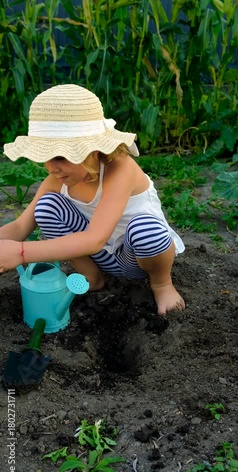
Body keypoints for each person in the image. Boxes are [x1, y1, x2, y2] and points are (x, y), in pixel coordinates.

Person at [2, 84, 185, 315]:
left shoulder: (120, 168)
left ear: (93, 150)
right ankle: (92, 277)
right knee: (47, 206)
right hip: (100, 259)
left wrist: (20, 253)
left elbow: (95, 239)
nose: (51, 167)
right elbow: (20, 226)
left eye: (60, 156)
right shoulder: (58, 180)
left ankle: (161, 284)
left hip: (138, 258)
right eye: (45, 157)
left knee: (145, 230)